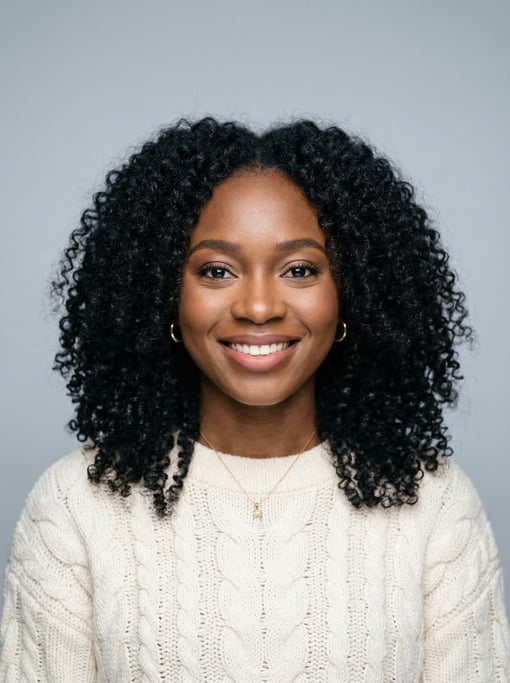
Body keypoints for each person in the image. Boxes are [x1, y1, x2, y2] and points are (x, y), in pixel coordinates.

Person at [1, 117, 509, 681]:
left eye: (300, 269)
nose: (260, 306)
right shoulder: (75, 505)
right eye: (217, 270)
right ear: (164, 296)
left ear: (351, 295)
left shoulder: (435, 507)